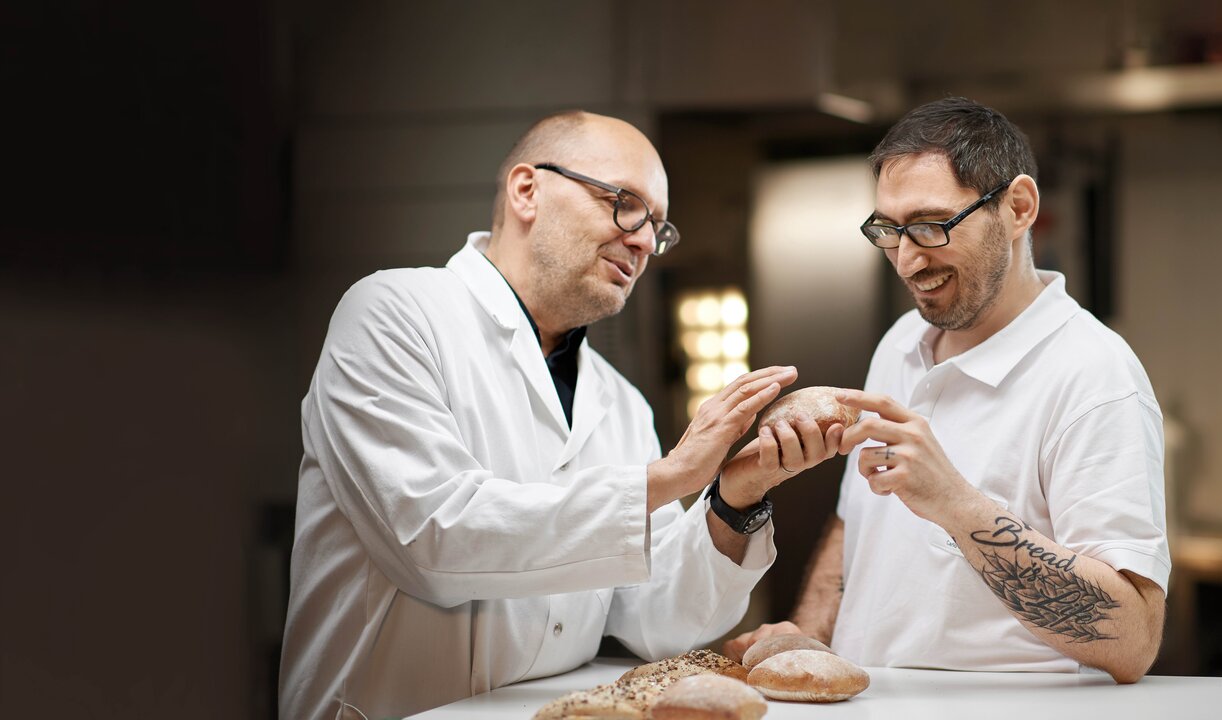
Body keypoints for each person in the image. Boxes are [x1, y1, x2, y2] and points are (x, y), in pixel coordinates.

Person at [279, 110, 846, 720]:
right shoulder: (393, 315)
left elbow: (653, 621)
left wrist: (734, 496)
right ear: (528, 191)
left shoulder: (620, 400)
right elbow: (434, 540)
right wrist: (671, 477)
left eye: (658, 226)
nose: (645, 241)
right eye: (625, 204)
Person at [725, 97, 1169, 683]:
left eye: (932, 226)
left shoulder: (1092, 374)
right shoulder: (903, 340)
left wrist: (957, 507)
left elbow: (1133, 637)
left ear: (1018, 208)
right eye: (889, 230)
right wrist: (812, 633)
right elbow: (856, 523)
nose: (907, 260)